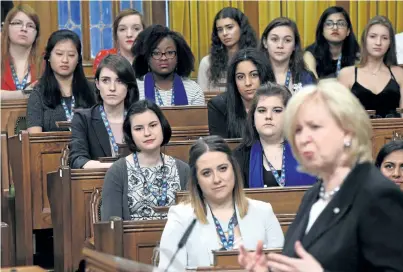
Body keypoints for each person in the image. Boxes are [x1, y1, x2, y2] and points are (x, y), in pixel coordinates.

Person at [238, 79, 403, 271]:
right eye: (298, 130)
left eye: (315, 127)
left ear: (348, 132)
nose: (303, 138)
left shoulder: (380, 196)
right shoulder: (313, 195)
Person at [158, 135, 284, 270]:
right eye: (206, 173)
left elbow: (283, 268)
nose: (217, 179)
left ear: (234, 169)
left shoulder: (263, 212)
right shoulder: (180, 217)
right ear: (197, 180)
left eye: (223, 168)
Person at [101, 99, 190, 221]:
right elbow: (110, 227)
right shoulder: (117, 172)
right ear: (130, 134)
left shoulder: (183, 170)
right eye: (138, 129)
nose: (147, 133)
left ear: (162, 127)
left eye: (153, 125)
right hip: (132, 240)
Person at [233, 82, 316, 188]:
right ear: (253, 116)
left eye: (277, 110)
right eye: (262, 110)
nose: (268, 116)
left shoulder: (308, 151)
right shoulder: (238, 158)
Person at [69, 55, 139, 169]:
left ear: (128, 85)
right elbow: (77, 160)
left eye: (119, 81)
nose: (112, 88)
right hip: (97, 183)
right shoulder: (83, 119)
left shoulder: (139, 118)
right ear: (97, 84)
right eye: (105, 80)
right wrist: (115, 168)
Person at [338, 15, 403, 118]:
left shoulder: (398, 73)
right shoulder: (347, 74)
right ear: (365, 39)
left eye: (384, 38)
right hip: (359, 132)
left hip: (393, 132)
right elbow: (341, 117)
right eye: (373, 36)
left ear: (390, 43)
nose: (378, 43)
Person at [26, 29, 96, 132]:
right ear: (49, 57)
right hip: (50, 148)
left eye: (71, 55)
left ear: (78, 60)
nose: (65, 60)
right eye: (59, 54)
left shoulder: (92, 90)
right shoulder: (38, 93)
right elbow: (35, 140)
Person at [207, 48, 275, 139]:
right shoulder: (219, 106)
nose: (247, 83)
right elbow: (220, 149)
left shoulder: (279, 100)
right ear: (234, 81)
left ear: (264, 76)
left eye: (254, 75)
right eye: (240, 77)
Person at [132, 24, 204, 106]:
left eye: (170, 52)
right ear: (147, 57)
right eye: (156, 53)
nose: (163, 58)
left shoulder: (193, 90)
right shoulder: (135, 89)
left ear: (178, 57)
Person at [197, 7, 257, 92]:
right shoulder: (207, 63)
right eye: (220, 30)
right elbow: (203, 99)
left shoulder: (257, 59)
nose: (224, 33)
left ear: (241, 28)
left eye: (229, 27)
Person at [260, 17, 315, 93]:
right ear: (265, 42)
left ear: (294, 46)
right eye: (274, 39)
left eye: (287, 40)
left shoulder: (305, 77)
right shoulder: (255, 74)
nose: (280, 45)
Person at [304, 6, 360, 79]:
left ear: (348, 31)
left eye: (341, 24)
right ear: (322, 31)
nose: (335, 28)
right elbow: (312, 83)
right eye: (329, 24)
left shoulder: (357, 54)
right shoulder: (310, 54)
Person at [1, 4, 40, 100]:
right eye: (18, 23)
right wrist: (23, 94)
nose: (24, 29)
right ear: (6, 27)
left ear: (36, 33)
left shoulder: (45, 62)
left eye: (30, 25)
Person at [92, 9, 145, 74]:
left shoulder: (152, 59)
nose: (129, 34)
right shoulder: (104, 57)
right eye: (122, 29)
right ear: (116, 34)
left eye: (136, 29)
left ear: (144, 32)